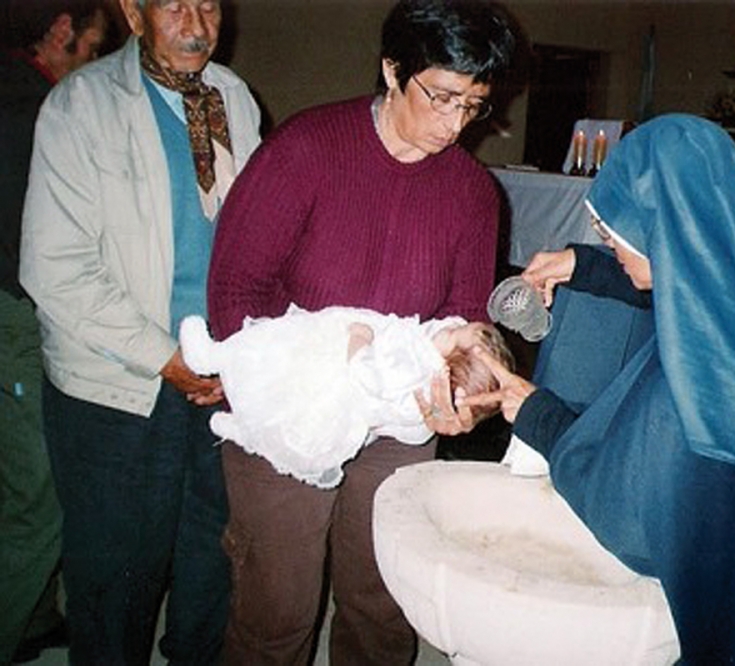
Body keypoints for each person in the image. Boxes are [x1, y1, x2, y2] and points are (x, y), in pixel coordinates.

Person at [465, 114, 735, 664]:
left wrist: (535, 412)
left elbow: (626, 511)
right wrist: (585, 266)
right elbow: (685, 280)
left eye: (612, 234)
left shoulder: (696, 378)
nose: (609, 243)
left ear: (661, 225)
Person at [206, 0, 518, 662]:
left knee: (382, 607)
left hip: (398, 416)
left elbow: (467, 314)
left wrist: (467, 391)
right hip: (290, 414)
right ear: (393, 69)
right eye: (442, 98)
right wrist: (301, 382)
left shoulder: (472, 192)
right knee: (276, 613)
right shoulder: (305, 151)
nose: (455, 124)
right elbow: (234, 293)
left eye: (473, 105)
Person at [17, 0, 261, 662]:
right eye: (175, 4)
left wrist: (245, 350)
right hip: (117, 387)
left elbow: (254, 235)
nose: (196, 24)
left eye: (207, 4)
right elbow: (54, 267)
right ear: (133, 11)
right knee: (115, 580)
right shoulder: (82, 105)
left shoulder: (234, 98)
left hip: (219, 375)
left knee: (213, 561)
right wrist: (167, 358)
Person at [0, 1, 107, 663]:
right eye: (92, 47)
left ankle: (36, 617)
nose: (90, 63)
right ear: (62, 31)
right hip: (15, 317)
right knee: (38, 500)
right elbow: (41, 251)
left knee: (21, 482)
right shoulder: (33, 110)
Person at [180, 306, 514, 488]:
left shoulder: (412, 372)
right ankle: (241, 423)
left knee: (276, 350)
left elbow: (365, 375)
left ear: (447, 369)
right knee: (284, 410)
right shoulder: (432, 358)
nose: (450, 324)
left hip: (333, 374)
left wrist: (360, 339)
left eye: (455, 332)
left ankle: (213, 358)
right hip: (342, 405)